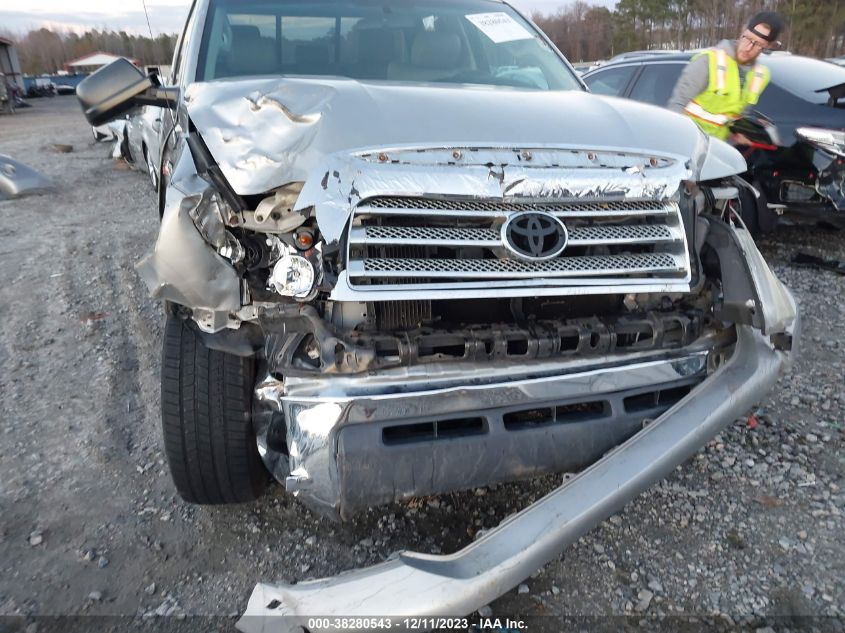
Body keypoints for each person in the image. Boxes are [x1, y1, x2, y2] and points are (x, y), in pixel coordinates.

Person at [668, 12, 784, 144]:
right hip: (688, 143)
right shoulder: (708, 61)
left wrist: (742, 132)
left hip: (717, 149)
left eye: (758, 44)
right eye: (747, 38)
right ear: (743, 30)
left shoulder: (760, 75)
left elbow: (735, 116)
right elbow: (676, 106)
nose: (748, 48)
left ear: (767, 47)